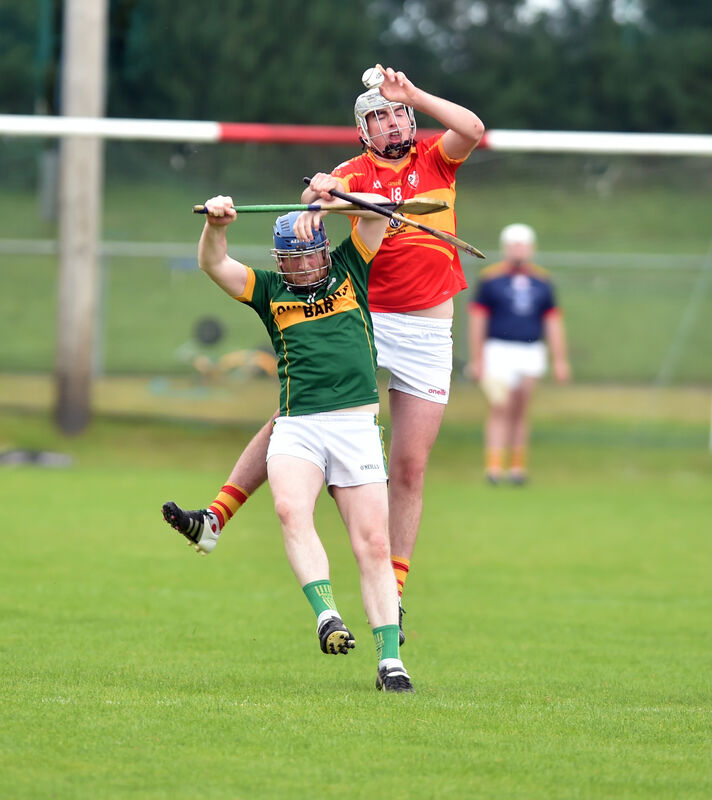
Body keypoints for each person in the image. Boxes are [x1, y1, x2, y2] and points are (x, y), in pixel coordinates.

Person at [163, 65, 485, 646]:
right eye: (379, 116)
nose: (391, 123)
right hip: (365, 315)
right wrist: (323, 193)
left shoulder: (437, 157)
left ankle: (395, 590)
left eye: (397, 114)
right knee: (297, 417)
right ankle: (215, 516)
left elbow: (474, 128)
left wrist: (413, 92)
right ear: (363, 130)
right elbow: (307, 210)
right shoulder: (349, 172)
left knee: (410, 465)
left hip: (428, 327)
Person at [165, 193, 414, 692]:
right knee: (289, 510)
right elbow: (213, 262)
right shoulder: (268, 289)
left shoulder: (350, 265)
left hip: (355, 429)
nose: (304, 266)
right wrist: (217, 224)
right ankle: (327, 616)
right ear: (280, 260)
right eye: (293, 259)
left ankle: (391, 662)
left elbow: (373, 214)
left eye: (311, 254)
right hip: (298, 426)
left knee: (374, 544)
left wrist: (327, 204)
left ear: (325, 248)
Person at [466, 223, 571, 485]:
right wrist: (477, 358)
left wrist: (560, 360)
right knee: (500, 405)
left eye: (523, 244)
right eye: (514, 244)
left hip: (530, 351)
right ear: (505, 248)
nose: (519, 249)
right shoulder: (491, 280)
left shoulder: (542, 281)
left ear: (531, 248)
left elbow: (553, 322)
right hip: (498, 350)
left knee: (521, 408)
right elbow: (478, 321)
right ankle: (493, 468)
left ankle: (517, 468)